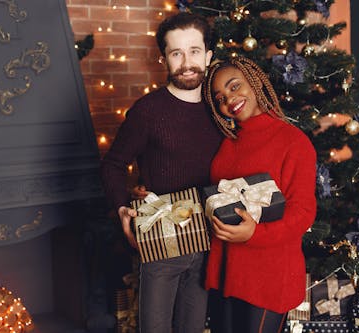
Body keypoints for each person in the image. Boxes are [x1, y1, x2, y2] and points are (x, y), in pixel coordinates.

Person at [100, 12, 223, 333]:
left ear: (208, 56)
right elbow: (113, 165)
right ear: (163, 59)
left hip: (211, 241)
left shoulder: (222, 109)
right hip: (161, 242)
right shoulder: (147, 112)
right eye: (176, 53)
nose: (187, 62)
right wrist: (121, 210)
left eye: (195, 51)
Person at [202, 56, 317, 333]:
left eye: (234, 86)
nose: (229, 100)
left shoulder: (293, 141)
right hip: (228, 271)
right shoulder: (228, 145)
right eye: (219, 98)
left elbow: (303, 214)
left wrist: (254, 235)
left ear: (254, 84)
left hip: (269, 274)